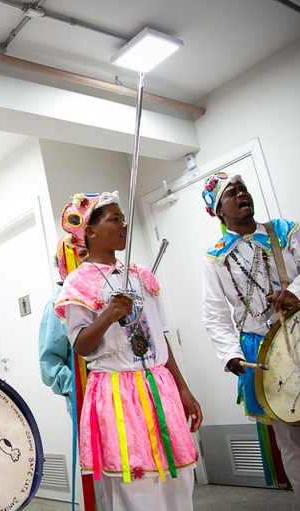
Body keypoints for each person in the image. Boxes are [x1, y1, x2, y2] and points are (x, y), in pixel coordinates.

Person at [201, 172, 300, 511]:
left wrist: (296, 293)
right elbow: (215, 313)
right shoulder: (215, 257)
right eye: (231, 193)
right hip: (262, 351)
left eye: (243, 188)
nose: (241, 194)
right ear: (219, 211)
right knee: (291, 441)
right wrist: (230, 354)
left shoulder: (284, 230)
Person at [55, 191, 201, 511]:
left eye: (123, 219)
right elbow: (81, 346)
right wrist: (108, 315)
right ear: (90, 232)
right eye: (114, 220)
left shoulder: (140, 275)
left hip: (159, 384)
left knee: (179, 480)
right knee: (136, 486)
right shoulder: (78, 284)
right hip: (117, 390)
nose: (123, 226)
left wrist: (183, 387)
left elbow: (160, 336)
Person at [38, 236, 88, 415]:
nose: (88, 259)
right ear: (64, 264)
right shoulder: (57, 305)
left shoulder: (102, 297)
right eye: (82, 255)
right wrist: (79, 389)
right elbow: (49, 364)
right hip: (86, 399)